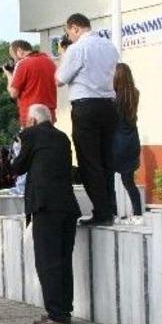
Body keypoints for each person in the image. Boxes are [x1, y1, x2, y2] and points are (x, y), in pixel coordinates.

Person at [11, 105, 81, 324]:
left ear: (32, 120)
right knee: (63, 260)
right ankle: (64, 310)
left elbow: (18, 167)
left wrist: (19, 145)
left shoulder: (31, 134)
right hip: (67, 206)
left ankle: (56, 316)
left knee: (47, 261)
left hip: (45, 206)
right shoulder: (62, 137)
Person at [55, 13, 119, 226]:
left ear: (74, 28)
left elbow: (60, 79)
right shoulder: (109, 46)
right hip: (108, 105)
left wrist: (63, 54)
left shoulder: (77, 49)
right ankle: (110, 207)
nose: (69, 37)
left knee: (89, 161)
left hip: (85, 106)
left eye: (68, 33)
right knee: (106, 159)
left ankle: (102, 211)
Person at [110, 63, 142, 222]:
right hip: (132, 140)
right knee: (129, 182)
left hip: (116, 141)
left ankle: (113, 212)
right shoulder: (134, 94)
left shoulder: (113, 98)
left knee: (108, 179)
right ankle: (138, 213)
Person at [4, 39, 57, 126]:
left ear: (19, 51)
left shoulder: (23, 64)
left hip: (31, 117)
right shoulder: (50, 62)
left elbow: (13, 93)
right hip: (49, 114)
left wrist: (9, 75)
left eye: (13, 57)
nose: (14, 61)